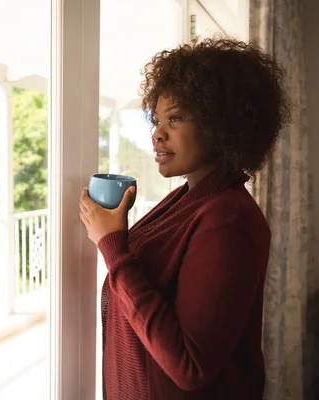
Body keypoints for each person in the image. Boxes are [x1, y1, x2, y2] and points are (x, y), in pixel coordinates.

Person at [79, 36, 290, 399]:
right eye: (156, 120)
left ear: (222, 124)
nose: (157, 133)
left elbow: (189, 366)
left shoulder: (229, 220)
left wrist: (112, 247)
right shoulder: (188, 198)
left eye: (174, 119)